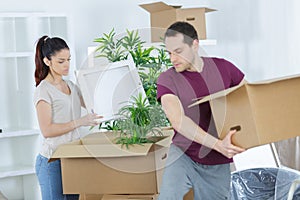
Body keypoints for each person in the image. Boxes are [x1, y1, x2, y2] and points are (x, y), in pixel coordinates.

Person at [156, 21, 246, 199]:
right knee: (168, 196)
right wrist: (218, 145)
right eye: (169, 53)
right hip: (183, 154)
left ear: (195, 45)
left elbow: (250, 102)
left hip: (217, 162)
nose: (172, 59)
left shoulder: (224, 69)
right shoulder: (167, 79)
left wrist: (242, 138)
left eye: (178, 51)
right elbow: (178, 120)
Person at [34, 35, 102, 200]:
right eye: (61, 61)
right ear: (47, 61)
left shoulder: (71, 85)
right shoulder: (44, 90)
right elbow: (47, 130)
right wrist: (80, 122)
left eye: (69, 60)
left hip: (72, 157)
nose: (67, 65)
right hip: (52, 161)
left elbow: (95, 105)